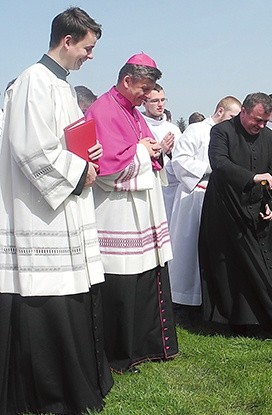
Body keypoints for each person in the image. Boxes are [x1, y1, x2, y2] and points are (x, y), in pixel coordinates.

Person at [0, 7, 113, 414]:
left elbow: (60, 142)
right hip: (39, 217)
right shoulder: (34, 82)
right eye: (88, 47)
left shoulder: (60, 85)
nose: (90, 56)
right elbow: (30, 148)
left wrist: (88, 154)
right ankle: (52, 392)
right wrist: (80, 169)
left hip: (62, 208)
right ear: (67, 41)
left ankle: (76, 383)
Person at [85, 53, 178, 372]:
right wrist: (144, 150)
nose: (148, 95)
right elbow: (107, 169)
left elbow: (143, 149)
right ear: (127, 81)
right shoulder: (103, 110)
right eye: (145, 88)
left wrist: (156, 150)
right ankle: (120, 354)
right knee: (124, 284)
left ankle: (148, 345)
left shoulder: (131, 110)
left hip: (142, 209)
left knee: (146, 277)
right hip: (119, 212)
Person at [198, 93, 272, 334]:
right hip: (226, 208)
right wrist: (253, 178)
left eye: (265, 122)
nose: (260, 126)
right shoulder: (222, 132)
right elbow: (219, 164)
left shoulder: (267, 136)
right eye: (256, 120)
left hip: (260, 207)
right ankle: (241, 320)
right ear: (243, 112)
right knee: (235, 267)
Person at [169, 96, 240, 313]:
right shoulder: (197, 130)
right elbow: (179, 160)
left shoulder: (230, 134)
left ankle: (210, 299)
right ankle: (184, 299)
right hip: (195, 196)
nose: (232, 122)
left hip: (219, 195)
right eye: (231, 117)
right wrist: (213, 167)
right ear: (220, 111)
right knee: (189, 248)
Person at [141, 83, 181, 227]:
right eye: (155, 101)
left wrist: (170, 153)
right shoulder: (139, 125)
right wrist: (160, 150)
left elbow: (182, 161)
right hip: (150, 189)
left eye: (163, 100)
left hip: (172, 189)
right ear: (144, 102)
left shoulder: (173, 129)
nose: (160, 104)